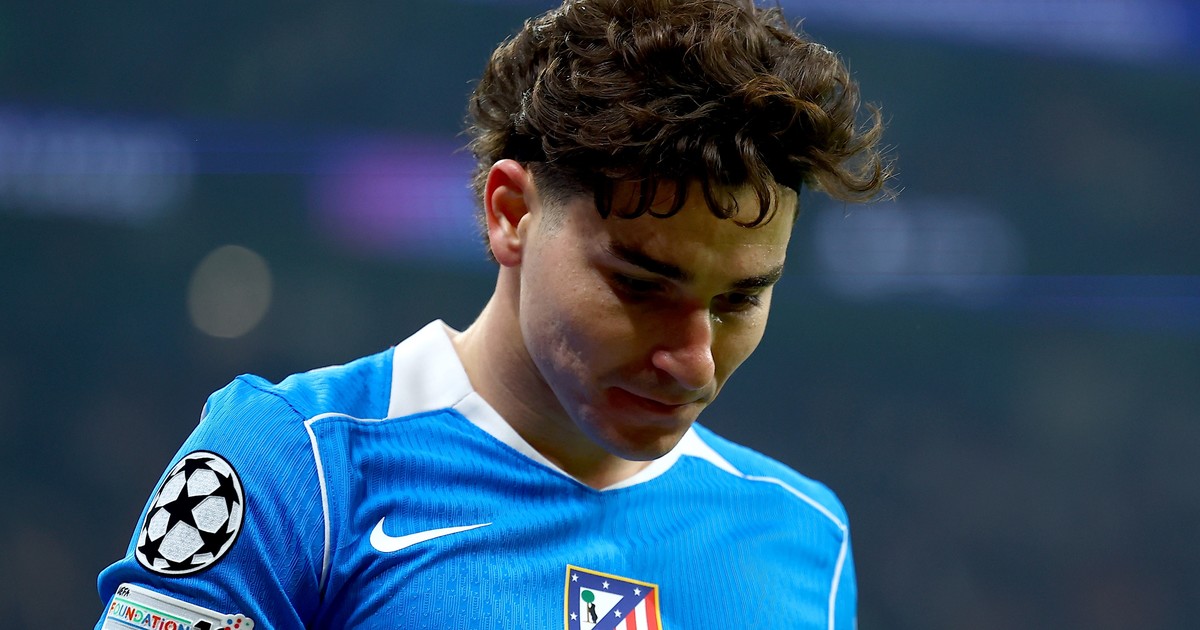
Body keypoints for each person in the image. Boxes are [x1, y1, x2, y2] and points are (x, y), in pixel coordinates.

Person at [96, 0, 889, 628]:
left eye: (739, 300)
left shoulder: (804, 539)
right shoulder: (291, 469)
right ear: (512, 213)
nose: (694, 362)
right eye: (642, 286)